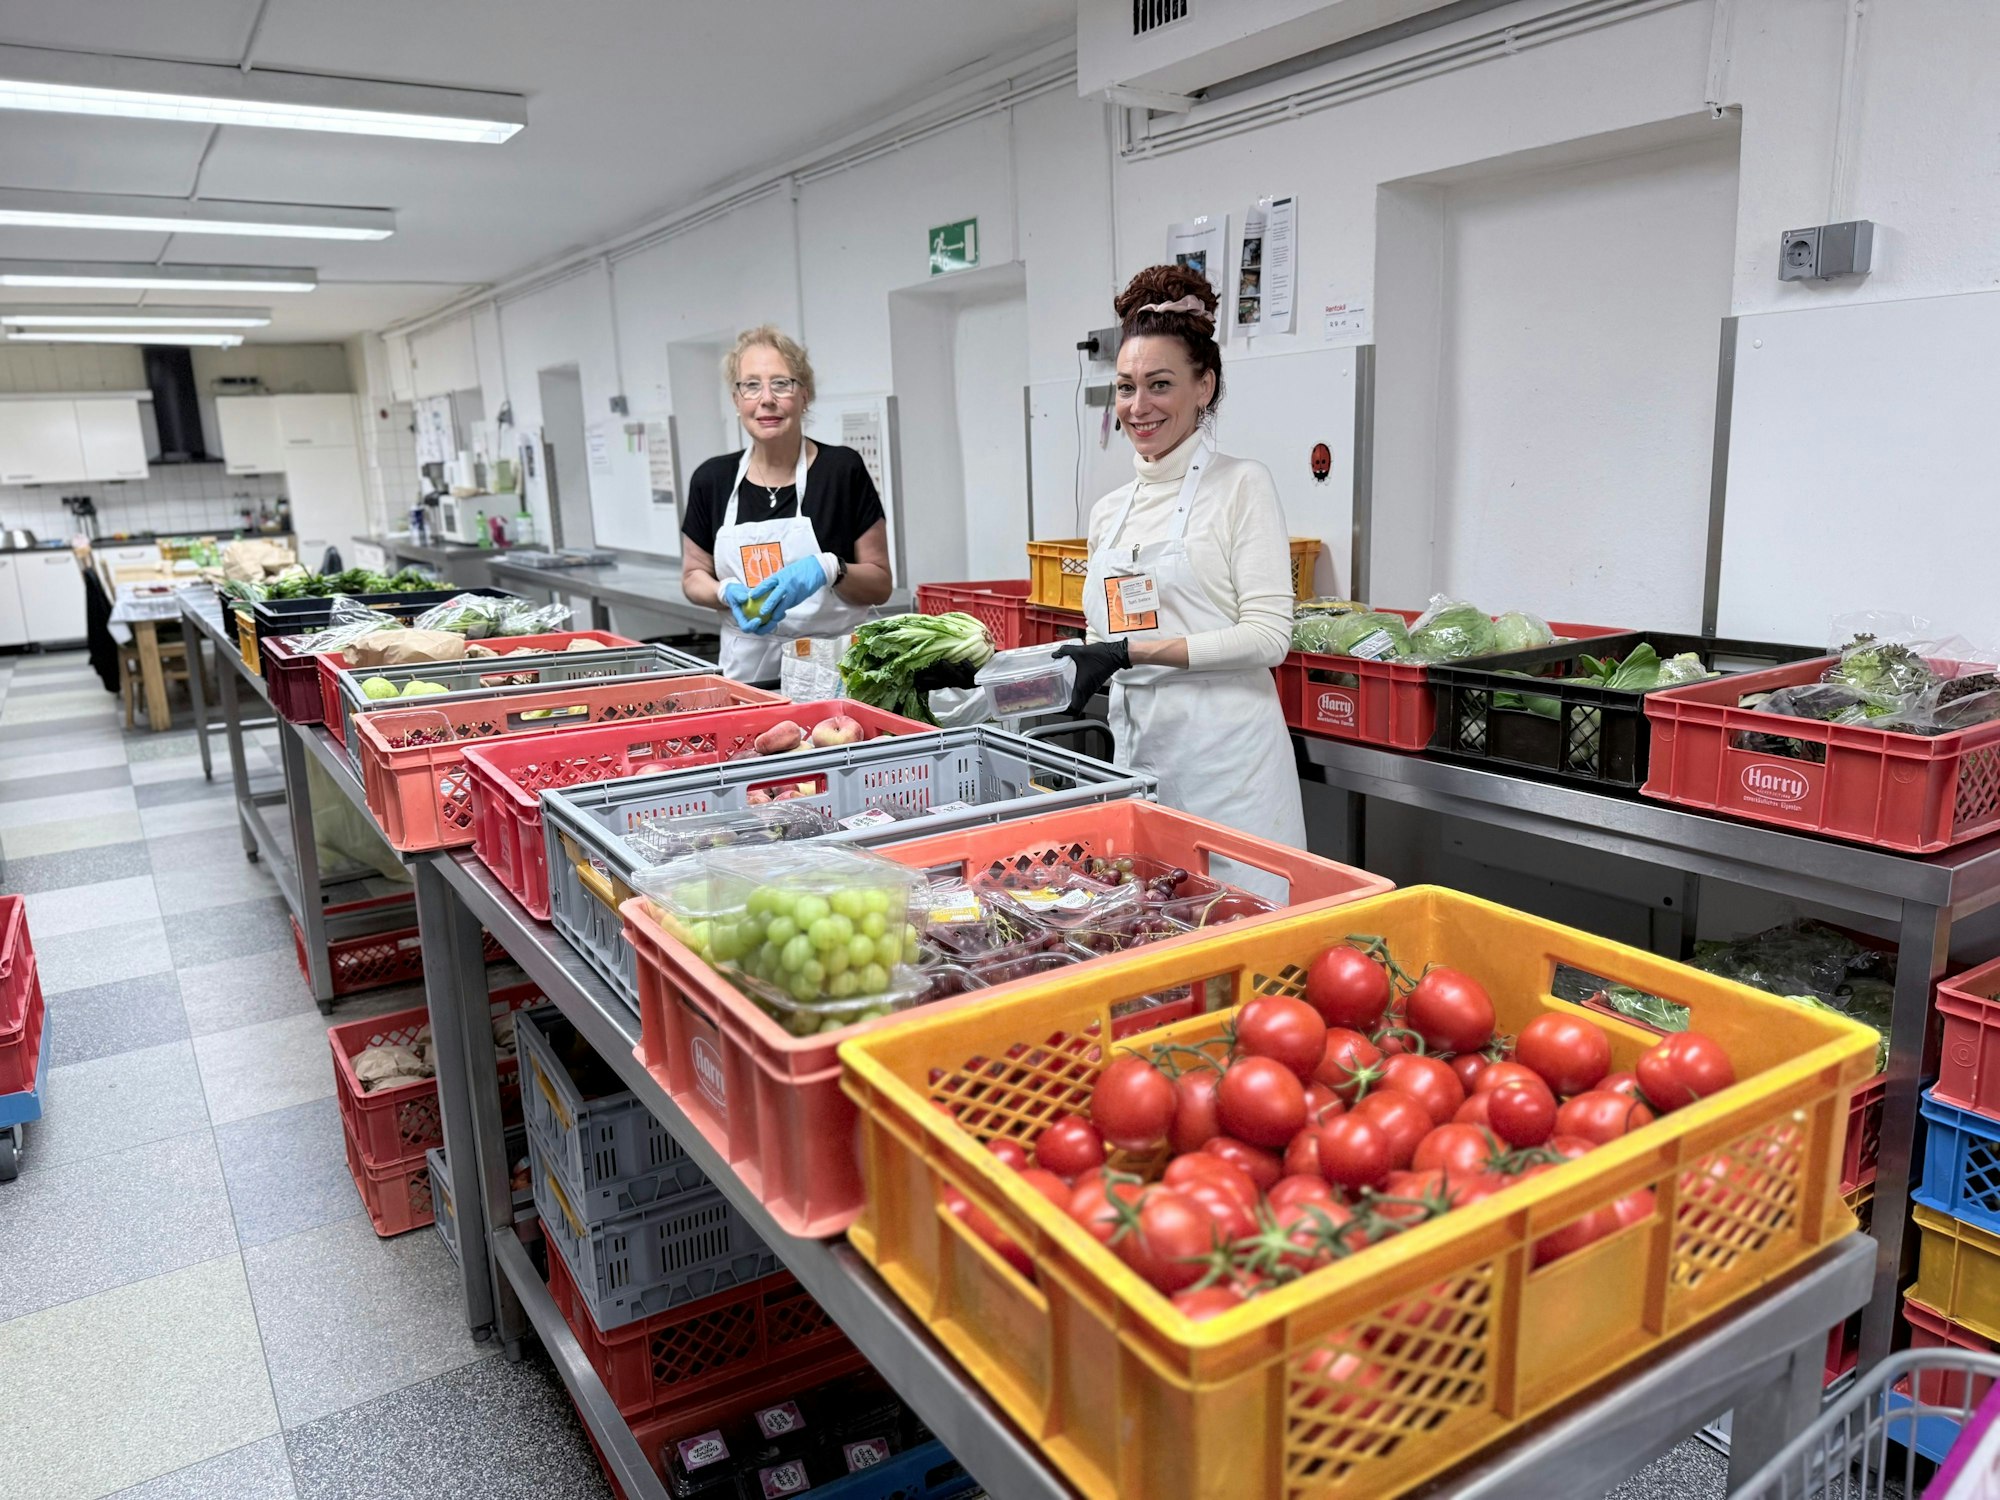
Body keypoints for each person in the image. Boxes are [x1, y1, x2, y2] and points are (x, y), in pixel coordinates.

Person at [1054, 266, 1308, 848]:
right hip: (1139, 759)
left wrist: (1132, 650)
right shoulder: (1108, 511)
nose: (1138, 406)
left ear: (1205, 387)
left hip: (1231, 771)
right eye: (1125, 387)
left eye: (1160, 384)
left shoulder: (1243, 484)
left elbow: (1269, 638)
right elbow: (1101, 638)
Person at [680, 326, 893, 681]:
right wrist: (724, 590)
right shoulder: (711, 480)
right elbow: (692, 576)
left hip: (838, 672)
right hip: (748, 676)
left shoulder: (842, 470)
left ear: (804, 395)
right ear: (736, 400)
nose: (767, 399)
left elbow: (880, 584)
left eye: (782, 383)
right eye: (751, 385)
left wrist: (830, 569)